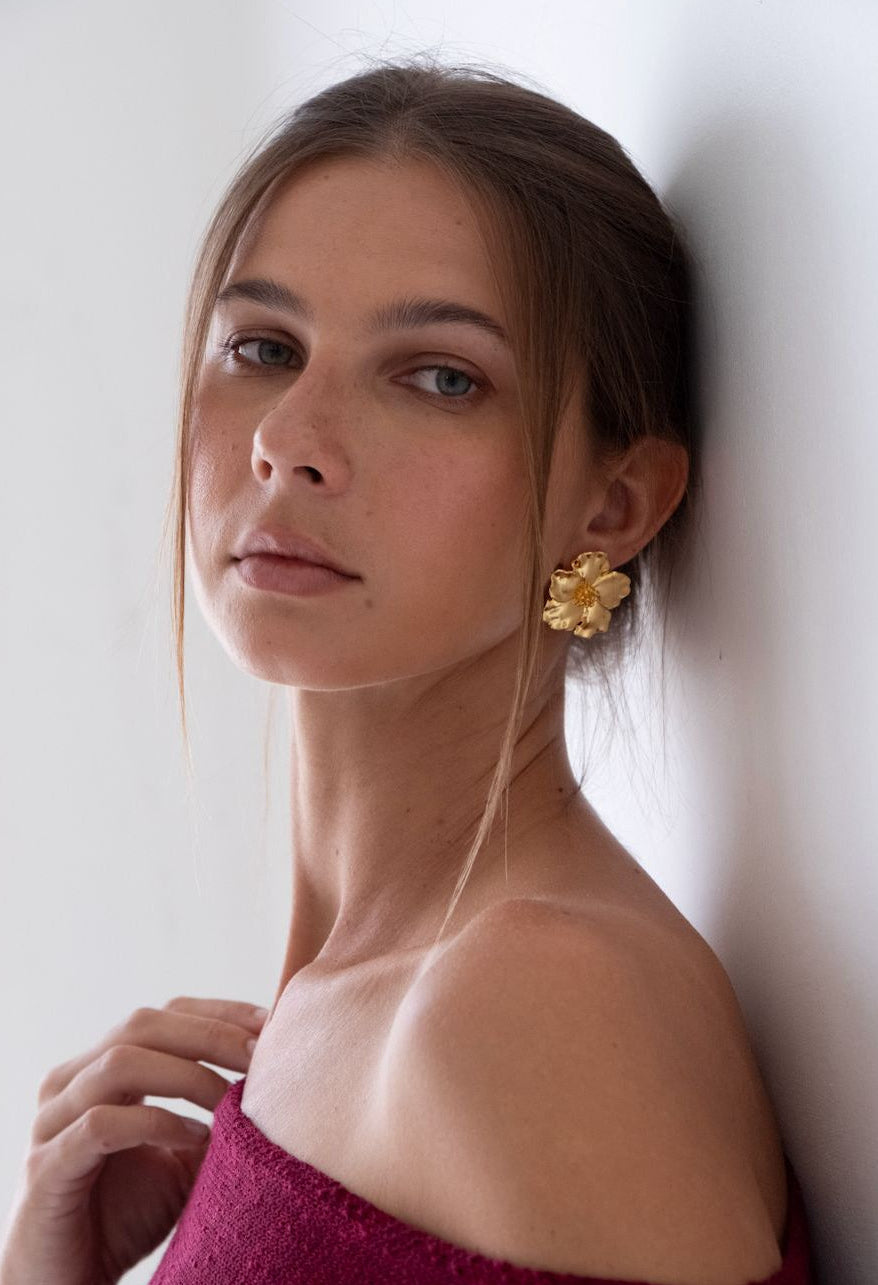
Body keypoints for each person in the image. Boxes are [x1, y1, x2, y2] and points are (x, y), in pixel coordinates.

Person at [0, 56, 813, 1285]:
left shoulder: (530, 1008)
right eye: (262, 346)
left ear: (611, 502)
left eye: (439, 377)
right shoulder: (351, 1007)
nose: (289, 443)